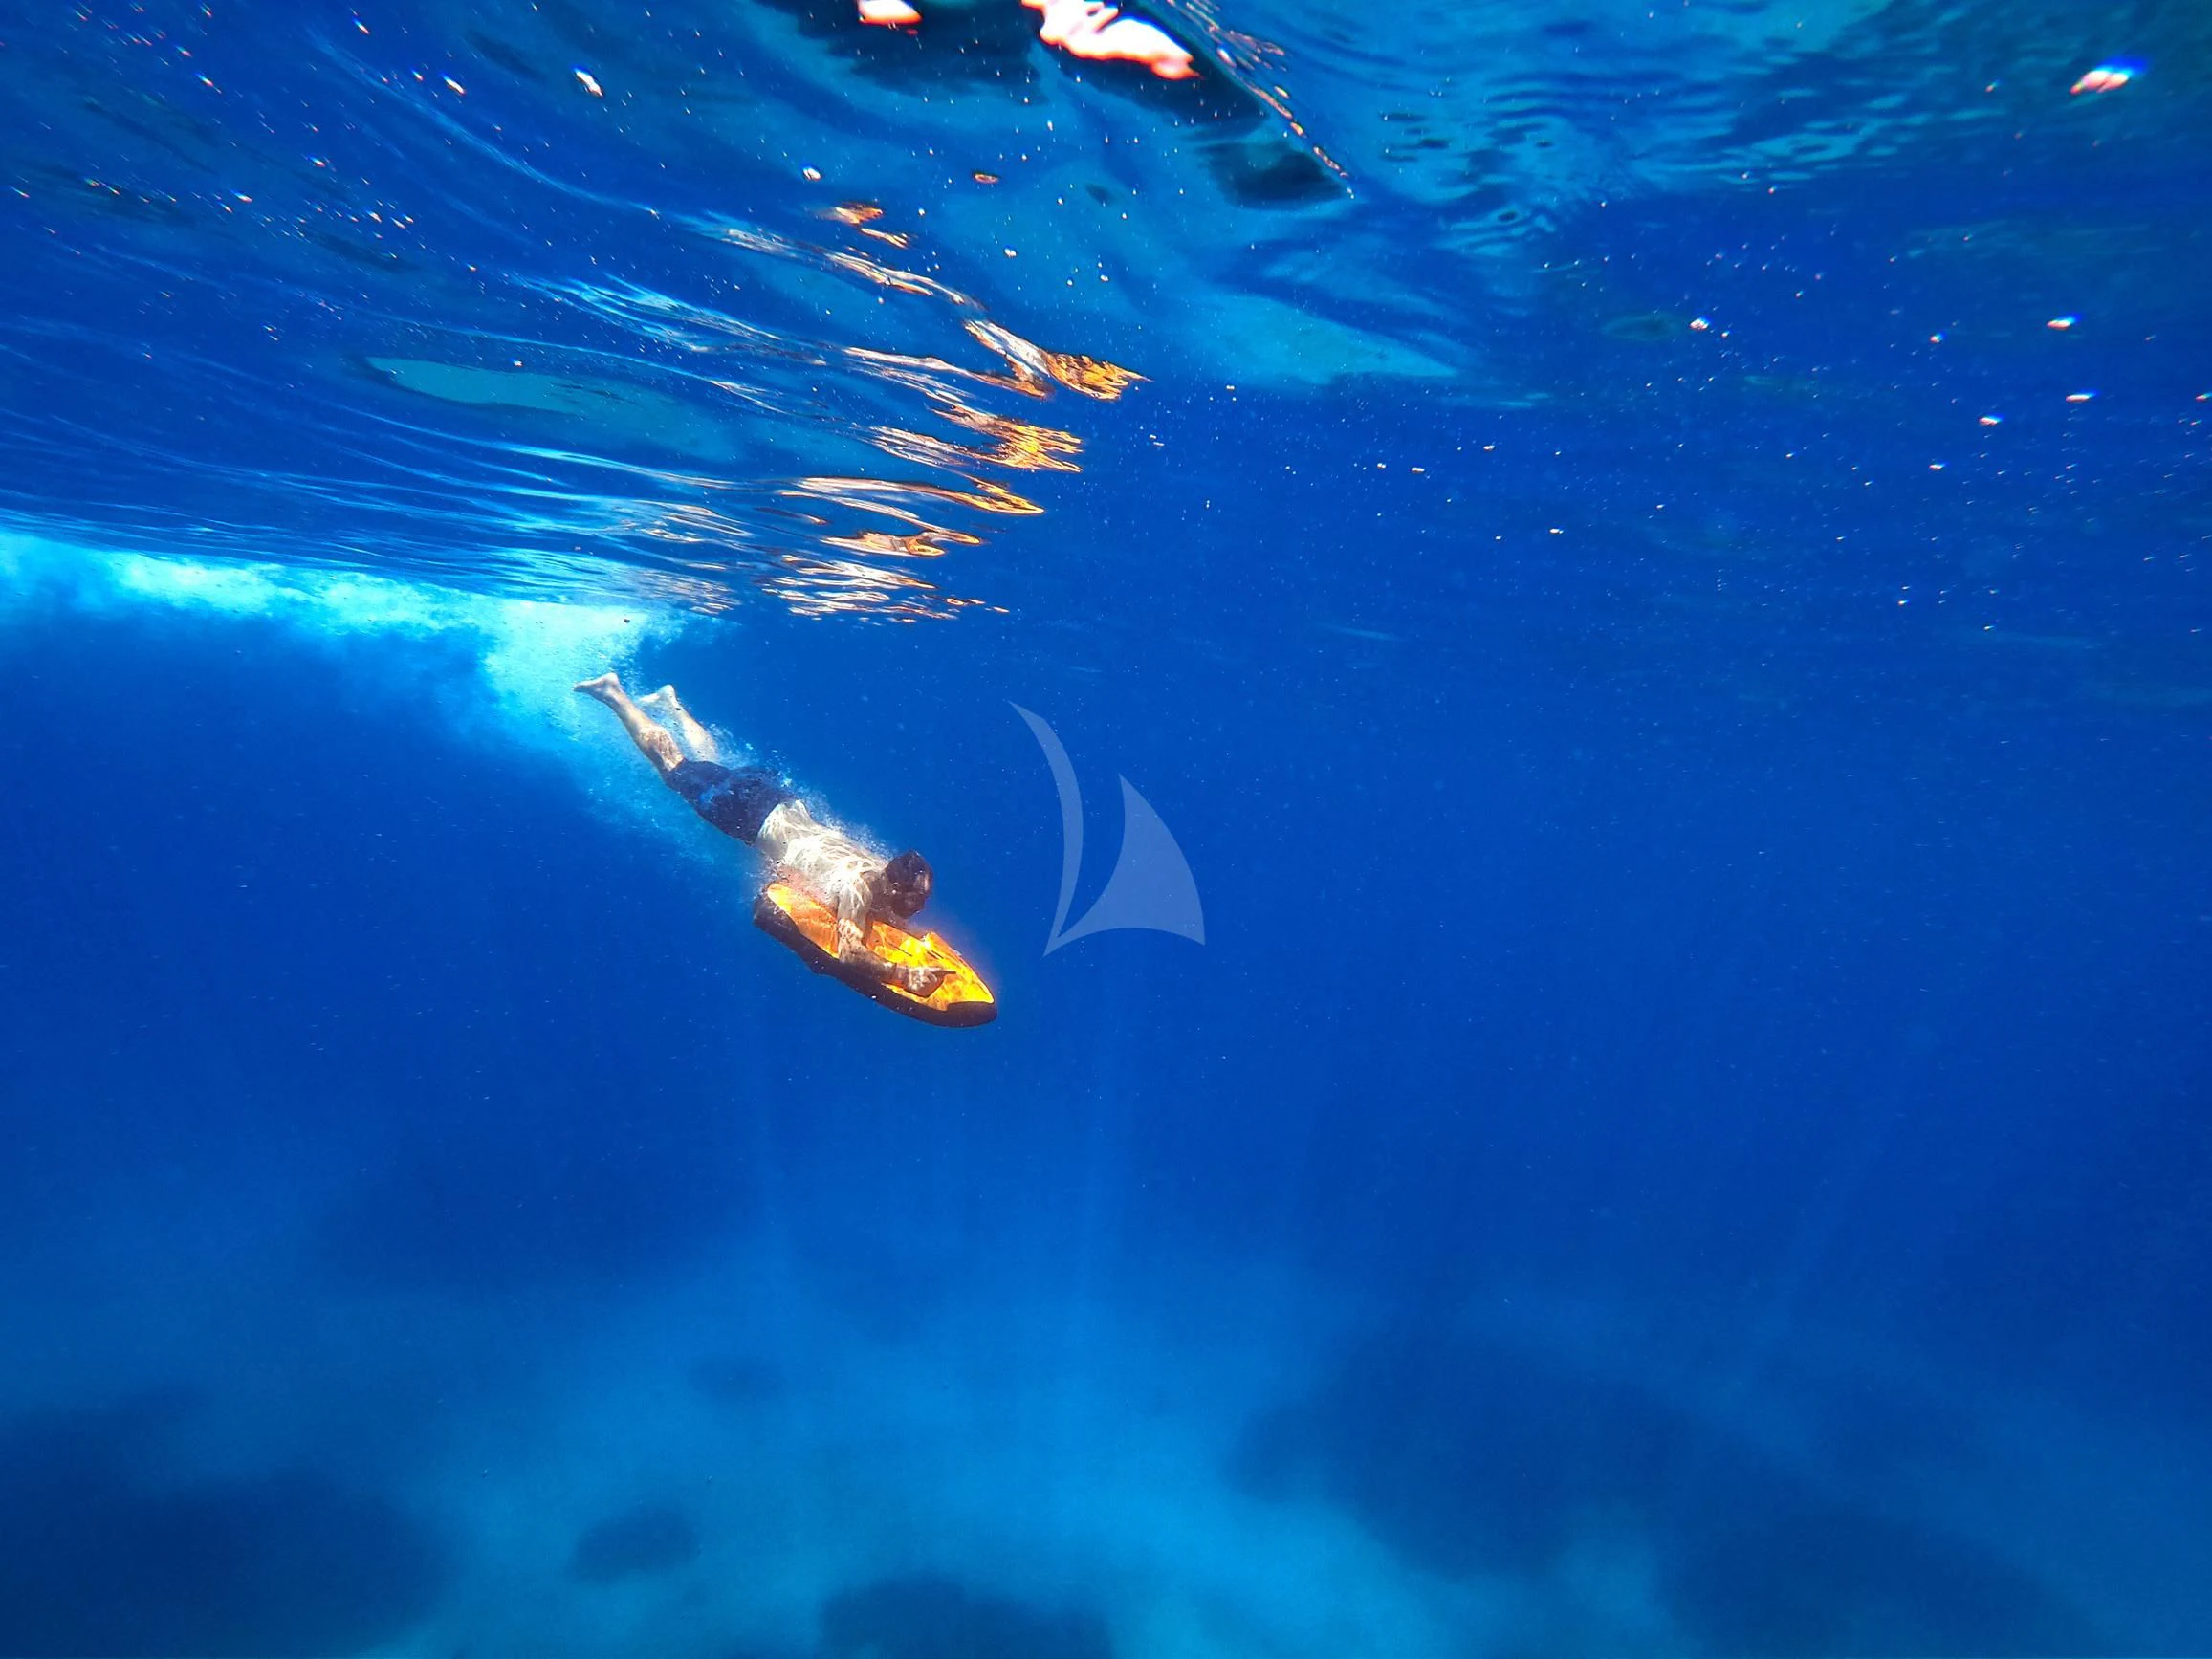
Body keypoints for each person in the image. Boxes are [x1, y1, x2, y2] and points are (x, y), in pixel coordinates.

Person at [575, 673, 947, 997]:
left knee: (722, 768)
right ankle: (614, 694)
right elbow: (848, 953)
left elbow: (882, 912)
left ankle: (672, 702)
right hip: (749, 813)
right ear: (895, 887)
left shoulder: (885, 867)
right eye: (917, 900)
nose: (922, 908)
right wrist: (903, 974)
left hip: (782, 803)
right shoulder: (857, 888)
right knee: (675, 768)